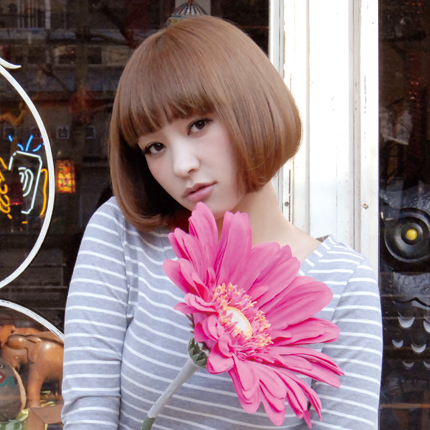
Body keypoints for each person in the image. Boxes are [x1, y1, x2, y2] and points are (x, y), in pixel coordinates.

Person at [61, 16, 382, 430]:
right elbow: (89, 409)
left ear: (253, 108)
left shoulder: (343, 281)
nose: (182, 165)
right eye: (155, 146)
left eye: (198, 125)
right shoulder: (124, 237)